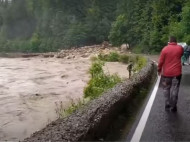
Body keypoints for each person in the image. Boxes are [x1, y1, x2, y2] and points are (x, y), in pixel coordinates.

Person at [158, 36, 183, 112]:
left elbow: (161, 61)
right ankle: (174, 106)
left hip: (166, 74)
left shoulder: (164, 49)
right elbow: (181, 54)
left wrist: (159, 70)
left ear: (169, 41)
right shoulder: (180, 48)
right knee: (175, 89)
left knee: (166, 88)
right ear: (176, 41)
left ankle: (167, 103)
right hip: (177, 74)